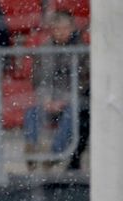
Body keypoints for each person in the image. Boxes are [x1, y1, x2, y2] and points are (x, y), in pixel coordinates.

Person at [22, 11, 89, 170]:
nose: (61, 32)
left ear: (72, 28)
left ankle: (54, 154)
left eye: (64, 28)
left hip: (71, 99)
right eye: (57, 29)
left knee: (72, 115)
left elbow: (84, 82)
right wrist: (46, 99)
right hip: (49, 99)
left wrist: (64, 100)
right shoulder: (45, 49)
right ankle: (32, 150)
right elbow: (38, 79)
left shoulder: (82, 50)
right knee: (31, 113)